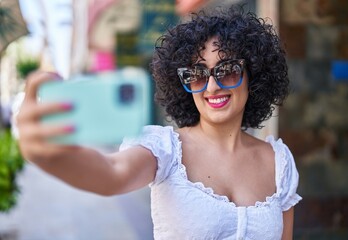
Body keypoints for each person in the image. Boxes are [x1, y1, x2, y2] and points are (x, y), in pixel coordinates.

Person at [17, 5, 302, 240]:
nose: (212, 87)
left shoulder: (279, 162)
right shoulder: (165, 149)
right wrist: (51, 157)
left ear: (252, 74)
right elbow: (113, 172)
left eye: (227, 70)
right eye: (197, 74)